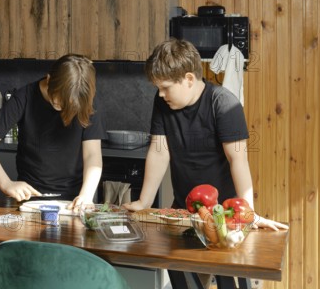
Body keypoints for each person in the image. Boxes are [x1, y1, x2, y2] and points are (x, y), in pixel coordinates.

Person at [123, 38, 288, 287]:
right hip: (184, 210)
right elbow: (159, 152)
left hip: (226, 214)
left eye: (166, 87)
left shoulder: (223, 103)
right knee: (180, 274)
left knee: (229, 280)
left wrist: (248, 214)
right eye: (158, 87)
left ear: (189, 79)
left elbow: (238, 160)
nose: (160, 93)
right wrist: (144, 202)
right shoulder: (162, 103)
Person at [0, 54, 106, 210]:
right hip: (31, 198)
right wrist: (6, 183)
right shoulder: (24, 97)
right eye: (59, 103)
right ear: (49, 79)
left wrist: (86, 194)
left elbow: (92, 154)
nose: (64, 110)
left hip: (76, 199)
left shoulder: (85, 100)